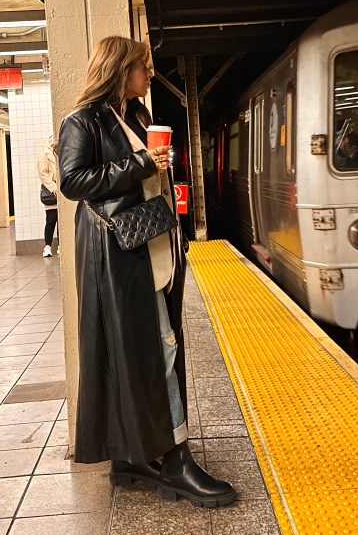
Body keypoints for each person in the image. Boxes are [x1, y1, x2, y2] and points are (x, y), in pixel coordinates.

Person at [58, 36, 235, 508]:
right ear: (120, 69)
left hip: (147, 245)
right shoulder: (82, 121)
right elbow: (72, 181)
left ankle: (130, 457)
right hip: (119, 253)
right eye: (143, 67)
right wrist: (141, 163)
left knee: (140, 350)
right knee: (161, 347)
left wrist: (158, 166)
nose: (150, 75)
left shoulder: (134, 117)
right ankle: (175, 461)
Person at [37, 136, 59, 257]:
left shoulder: (62, 152)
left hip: (61, 190)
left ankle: (61, 246)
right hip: (51, 191)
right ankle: (47, 246)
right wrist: (54, 188)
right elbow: (43, 174)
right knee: (51, 220)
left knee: (62, 221)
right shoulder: (44, 155)